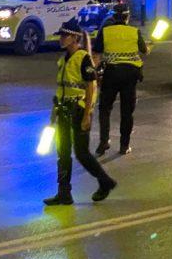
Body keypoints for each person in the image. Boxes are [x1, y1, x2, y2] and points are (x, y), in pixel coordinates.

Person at [44, 20, 117, 206]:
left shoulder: (83, 58)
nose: (61, 39)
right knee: (63, 152)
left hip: (79, 110)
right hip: (63, 109)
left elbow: (91, 87)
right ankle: (64, 193)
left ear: (74, 38)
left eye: (65, 36)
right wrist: (54, 113)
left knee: (81, 153)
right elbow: (62, 87)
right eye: (61, 35)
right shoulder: (64, 59)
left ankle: (105, 182)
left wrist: (87, 115)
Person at [93, 2, 148, 156]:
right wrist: (148, 47)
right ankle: (124, 146)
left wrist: (95, 73)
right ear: (127, 17)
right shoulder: (134, 32)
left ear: (113, 17)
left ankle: (104, 142)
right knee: (127, 112)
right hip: (130, 76)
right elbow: (144, 50)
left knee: (104, 109)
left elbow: (97, 52)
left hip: (111, 74)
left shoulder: (106, 31)